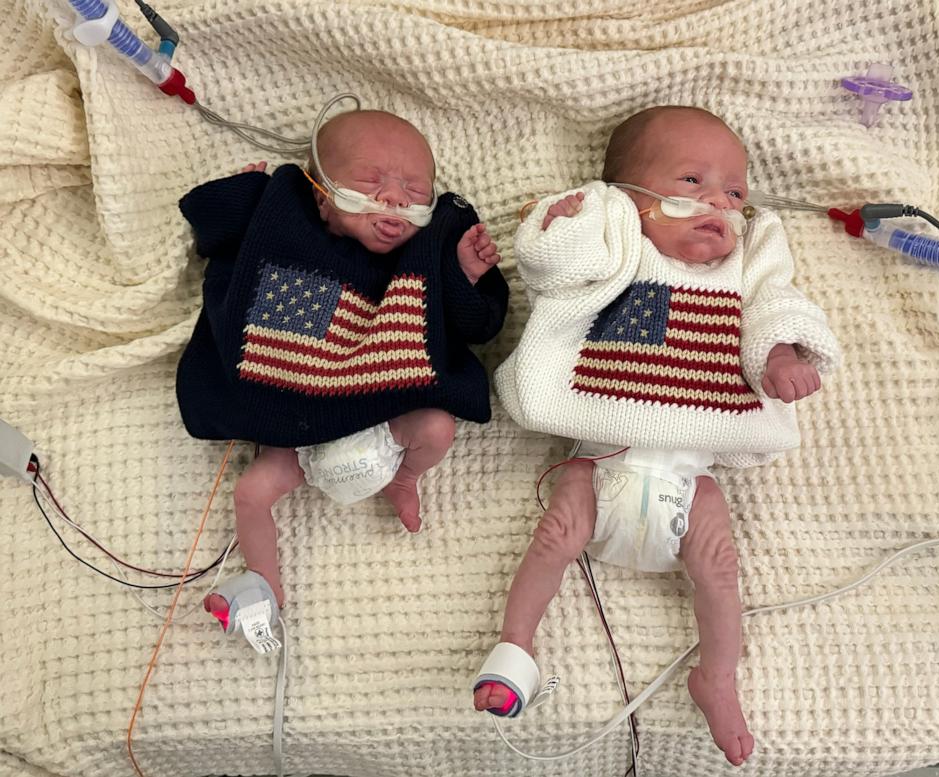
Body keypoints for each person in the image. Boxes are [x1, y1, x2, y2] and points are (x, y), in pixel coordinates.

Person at [473, 106, 841, 766]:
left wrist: (783, 355)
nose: (718, 204)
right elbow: (552, 266)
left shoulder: (748, 256)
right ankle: (515, 645)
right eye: (693, 181)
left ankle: (717, 679)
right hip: (598, 464)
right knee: (556, 534)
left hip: (690, 475)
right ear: (633, 199)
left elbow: (775, 302)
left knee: (721, 569)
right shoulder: (620, 239)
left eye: (733, 192)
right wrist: (566, 224)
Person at [176, 109, 508, 646]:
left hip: (385, 420)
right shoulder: (279, 219)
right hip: (293, 427)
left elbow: (477, 326)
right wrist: (240, 193)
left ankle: (405, 479)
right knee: (250, 493)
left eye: (413, 189)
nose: (394, 199)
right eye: (371, 183)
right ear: (321, 193)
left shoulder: (426, 253)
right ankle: (265, 584)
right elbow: (211, 231)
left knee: (439, 427)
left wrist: (465, 275)